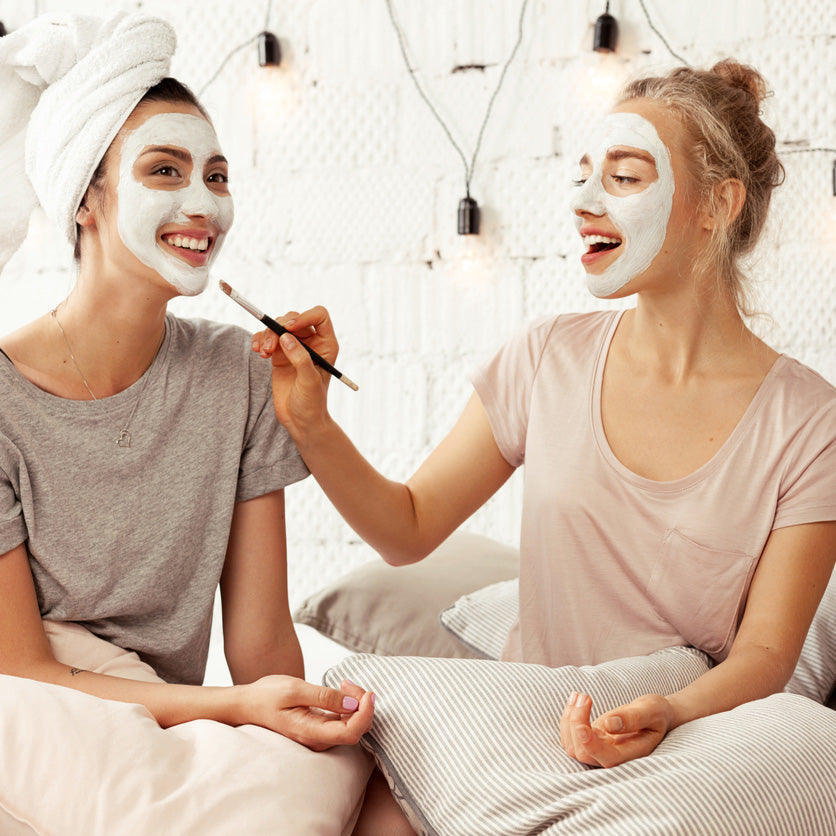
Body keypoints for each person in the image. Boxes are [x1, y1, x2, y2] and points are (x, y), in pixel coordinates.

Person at [257, 56, 836, 820]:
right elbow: (406, 528)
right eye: (584, 175)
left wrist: (668, 712)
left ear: (717, 205)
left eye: (624, 177)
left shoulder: (810, 422)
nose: (585, 201)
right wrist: (310, 421)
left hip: (691, 739)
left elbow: (766, 655)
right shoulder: (546, 358)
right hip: (530, 726)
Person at [0, 12, 374, 753]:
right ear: (85, 199)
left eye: (218, 176)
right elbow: (20, 669)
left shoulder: (240, 375)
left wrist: (300, 727)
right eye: (165, 171)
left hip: (178, 735)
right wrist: (234, 709)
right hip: (38, 729)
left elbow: (261, 648)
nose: (203, 205)